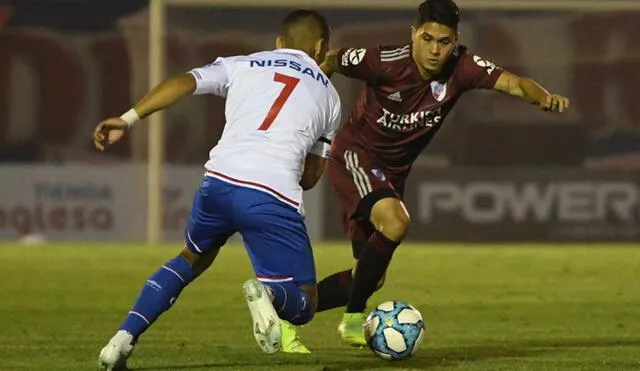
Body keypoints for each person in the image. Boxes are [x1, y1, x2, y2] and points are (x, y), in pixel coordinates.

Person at [305, 0, 570, 346]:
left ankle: (286, 308)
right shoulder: (384, 61)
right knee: (397, 223)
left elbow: (516, 83)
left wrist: (543, 97)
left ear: (455, 40)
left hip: (392, 174)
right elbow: (332, 60)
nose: (434, 50)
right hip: (356, 156)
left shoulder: (464, 66)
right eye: (427, 39)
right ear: (413, 34)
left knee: (370, 276)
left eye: (443, 42)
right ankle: (353, 320)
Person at [94, 9, 341, 370]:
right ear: (321, 48)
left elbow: (184, 81)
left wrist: (128, 118)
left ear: (278, 43)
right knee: (305, 302)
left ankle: (121, 340)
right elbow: (310, 178)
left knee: (189, 259)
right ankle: (269, 294)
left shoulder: (244, 64)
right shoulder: (330, 96)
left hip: (219, 183)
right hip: (271, 195)